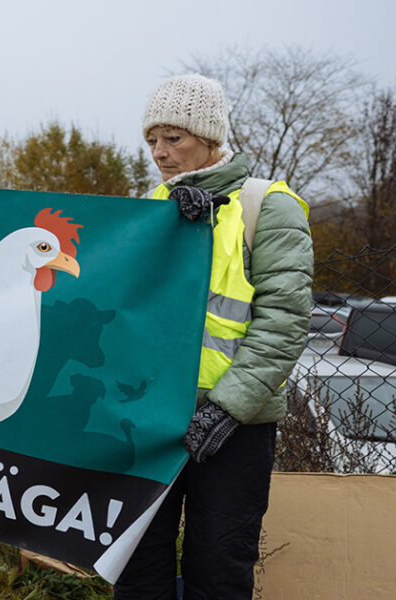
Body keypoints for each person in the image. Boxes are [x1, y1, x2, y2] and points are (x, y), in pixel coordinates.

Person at [113, 74, 312, 599]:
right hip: (152, 417)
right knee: (136, 564)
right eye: (151, 140)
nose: (159, 152)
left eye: (173, 139)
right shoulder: (153, 203)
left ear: (209, 136)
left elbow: (285, 321)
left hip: (233, 425)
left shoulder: (267, 205)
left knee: (219, 565)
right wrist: (173, 233)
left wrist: (228, 408)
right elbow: (124, 305)